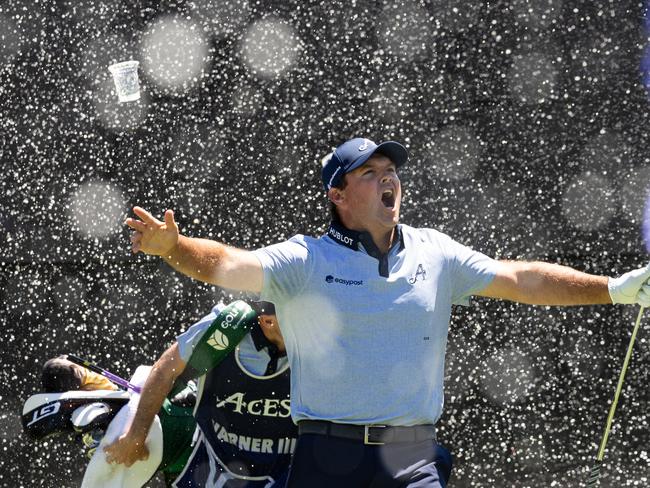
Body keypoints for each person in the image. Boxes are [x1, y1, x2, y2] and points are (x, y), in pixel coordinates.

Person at [123, 137, 650, 487]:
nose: (387, 179)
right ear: (338, 194)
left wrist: (617, 289)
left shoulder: (435, 252)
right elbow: (228, 264)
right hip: (324, 459)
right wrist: (174, 247)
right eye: (370, 172)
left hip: (412, 459)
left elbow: (522, 279)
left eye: (390, 170)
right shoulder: (305, 259)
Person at [104, 299, 296, 488]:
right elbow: (164, 370)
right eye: (303, 315)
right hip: (209, 462)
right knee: (113, 420)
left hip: (291, 471)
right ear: (268, 321)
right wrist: (136, 435)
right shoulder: (226, 327)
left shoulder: (321, 343)